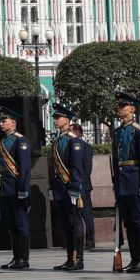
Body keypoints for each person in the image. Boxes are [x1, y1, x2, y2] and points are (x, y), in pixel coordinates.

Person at [113, 92, 140, 273]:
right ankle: (134, 259)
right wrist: (116, 183)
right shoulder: (118, 131)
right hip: (122, 182)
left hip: (135, 180)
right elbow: (115, 160)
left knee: (139, 221)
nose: (120, 109)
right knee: (128, 223)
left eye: (123, 106)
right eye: (119, 106)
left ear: (132, 109)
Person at [48, 104, 86, 271]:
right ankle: (70, 258)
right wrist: (51, 186)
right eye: (54, 117)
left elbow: (77, 167)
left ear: (67, 120)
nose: (55, 120)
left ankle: (78, 259)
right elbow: (54, 167)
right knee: (66, 225)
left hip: (70, 188)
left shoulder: (74, 140)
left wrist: (75, 188)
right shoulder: (58, 141)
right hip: (59, 188)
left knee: (75, 223)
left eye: (58, 118)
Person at [0, 107, 32, 270]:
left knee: (21, 224)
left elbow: (24, 167)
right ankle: (16, 257)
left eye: (4, 121)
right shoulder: (3, 141)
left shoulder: (21, 140)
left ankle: (23, 258)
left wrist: (23, 189)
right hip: (5, 188)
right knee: (12, 225)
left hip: (17, 188)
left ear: (13, 123)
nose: (1, 124)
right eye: (0, 121)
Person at [69, 123, 95, 250]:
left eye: (71, 131)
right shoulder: (70, 145)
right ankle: (78, 240)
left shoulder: (85, 147)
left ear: (77, 133)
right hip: (73, 185)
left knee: (86, 214)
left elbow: (87, 168)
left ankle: (90, 241)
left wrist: (80, 183)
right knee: (76, 215)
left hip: (83, 185)